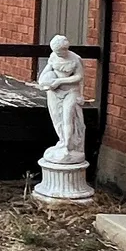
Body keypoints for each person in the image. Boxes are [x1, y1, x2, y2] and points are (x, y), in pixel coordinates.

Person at [37, 34, 86, 163]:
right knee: (57, 118)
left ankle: (68, 146)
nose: (58, 54)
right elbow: (48, 69)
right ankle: (62, 141)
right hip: (54, 91)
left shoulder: (75, 59)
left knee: (67, 118)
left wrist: (59, 81)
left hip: (70, 91)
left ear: (65, 49)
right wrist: (43, 81)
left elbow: (79, 77)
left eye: (60, 52)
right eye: (56, 52)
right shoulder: (53, 56)